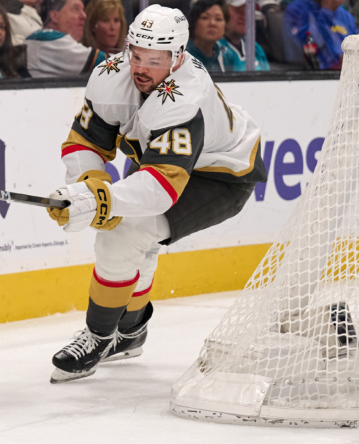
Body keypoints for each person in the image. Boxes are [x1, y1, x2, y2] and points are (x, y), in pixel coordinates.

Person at [46, 4, 267, 383]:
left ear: (178, 57)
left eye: (155, 60)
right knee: (136, 239)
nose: (141, 68)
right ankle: (130, 332)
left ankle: (99, 336)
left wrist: (101, 200)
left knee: (124, 233)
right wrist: (89, 184)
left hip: (221, 175)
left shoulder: (185, 97)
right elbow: (84, 143)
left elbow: (161, 187)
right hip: (162, 161)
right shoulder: (110, 74)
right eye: (136, 55)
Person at [25, 0, 105, 77]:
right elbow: (104, 62)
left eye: (83, 10)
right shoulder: (47, 39)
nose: (84, 15)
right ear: (55, 16)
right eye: (75, 9)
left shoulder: (40, 39)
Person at [284, 0, 357, 70]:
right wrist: (327, 9)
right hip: (318, 74)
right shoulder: (297, 10)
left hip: (347, 73)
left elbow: (356, 48)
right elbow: (311, 46)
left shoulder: (346, 16)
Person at [186, 0, 238, 71]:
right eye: (205, 17)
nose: (212, 23)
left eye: (218, 19)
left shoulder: (227, 56)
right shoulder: (182, 56)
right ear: (193, 22)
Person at [220, 0, 270, 70]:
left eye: (248, 11)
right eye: (238, 11)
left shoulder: (255, 48)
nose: (244, 17)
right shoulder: (215, 50)